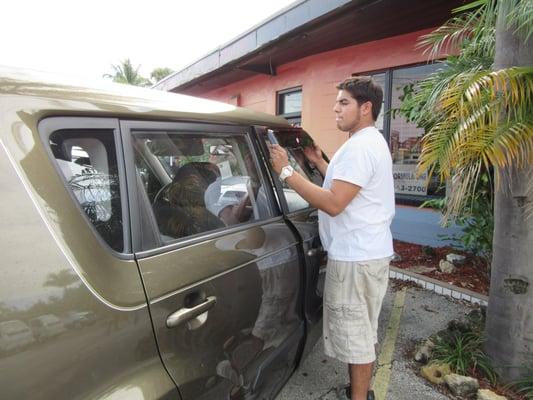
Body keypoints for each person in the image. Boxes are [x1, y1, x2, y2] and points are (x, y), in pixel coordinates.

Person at [269, 76, 395, 400]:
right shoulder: (367, 142)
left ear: (365, 108)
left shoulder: (360, 148)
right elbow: (348, 188)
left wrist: (287, 172)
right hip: (366, 253)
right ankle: (359, 391)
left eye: (343, 103)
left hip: (356, 258)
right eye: (336, 101)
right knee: (362, 333)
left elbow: (334, 203)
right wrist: (319, 163)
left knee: (358, 338)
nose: (335, 108)